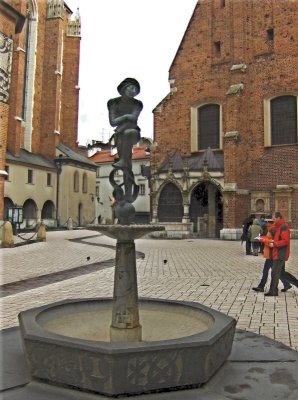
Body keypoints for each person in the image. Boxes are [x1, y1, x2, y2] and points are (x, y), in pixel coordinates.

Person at [107, 78, 143, 170]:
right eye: (131, 88)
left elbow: (133, 118)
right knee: (126, 163)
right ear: (124, 88)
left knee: (128, 132)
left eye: (135, 90)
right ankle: (123, 163)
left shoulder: (137, 104)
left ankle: (123, 161)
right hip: (120, 135)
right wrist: (127, 116)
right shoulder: (113, 103)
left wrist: (123, 118)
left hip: (133, 132)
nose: (133, 91)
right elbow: (112, 122)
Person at [252, 215, 291, 292]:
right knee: (279, 272)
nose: (265, 223)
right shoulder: (271, 228)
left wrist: (262, 239)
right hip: (273, 254)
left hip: (272, 254)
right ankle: (286, 284)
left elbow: (272, 242)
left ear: (268, 222)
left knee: (266, 271)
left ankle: (261, 286)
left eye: (266, 222)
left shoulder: (273, 229)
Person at [265, 211, 298, 296]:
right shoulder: (278, 226)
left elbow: (285, 241)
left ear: (279, 218)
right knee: (281, 273)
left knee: (274, 272)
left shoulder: (283, 226)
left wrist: (274, 243)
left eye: (274, 218)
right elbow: (279, 239)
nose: (273, 219)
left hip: (281, 253)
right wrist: (273, 241)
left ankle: (273, 291)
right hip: (278, 252)